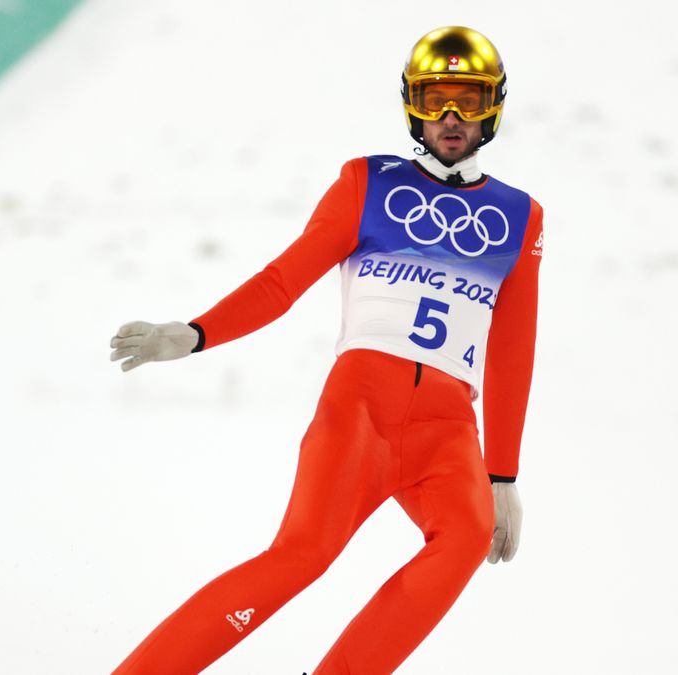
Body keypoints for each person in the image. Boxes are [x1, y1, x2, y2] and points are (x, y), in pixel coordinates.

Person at [108, 25, 543, 675]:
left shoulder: (518, 216)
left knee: (465, 536)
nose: (451, 118)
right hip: (362, 406)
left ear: (494, 108)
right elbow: (283, 280)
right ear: (411, 106)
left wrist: (502, 472)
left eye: (469, 101)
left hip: (449, 424)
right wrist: (195, 333)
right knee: (302, 554)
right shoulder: (367, 182)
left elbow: (512, 346)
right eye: (435, 100)